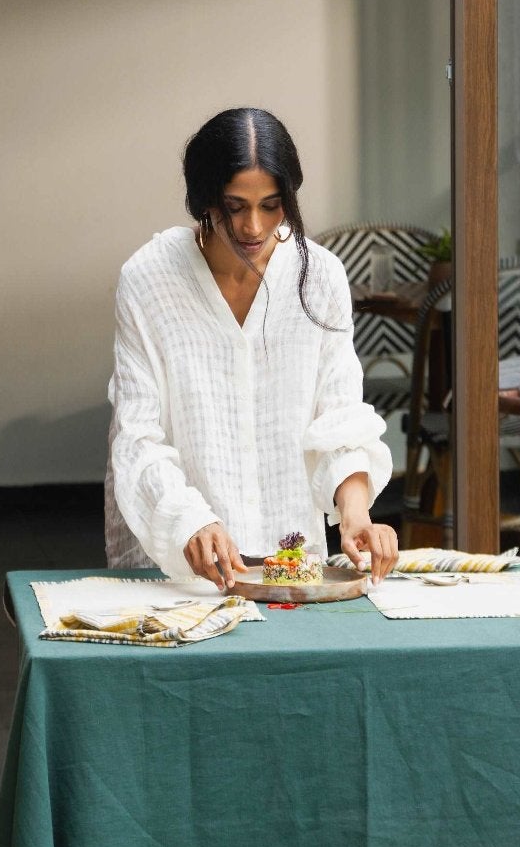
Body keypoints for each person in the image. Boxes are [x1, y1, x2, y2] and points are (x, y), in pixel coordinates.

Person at [106, 107, 399, 591]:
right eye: (235, 206)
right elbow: (138, 435)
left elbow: (340, 415)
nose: (254, 227)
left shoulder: (320, 277)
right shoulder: (149, 281)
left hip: (295, 564)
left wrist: (355, 513)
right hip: (184, 565)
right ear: (203, 198)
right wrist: (190, 521)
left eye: (272, 204)